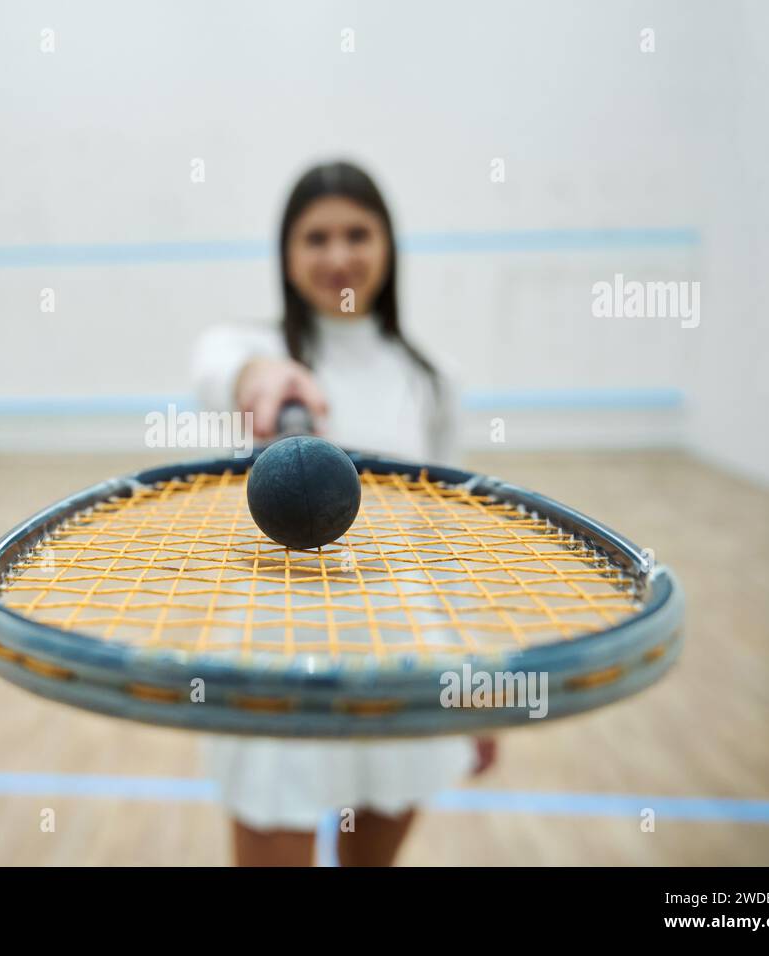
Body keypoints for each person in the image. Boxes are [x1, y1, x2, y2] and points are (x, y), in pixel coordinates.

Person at [191, 160, 497, 867]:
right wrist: (262, 379)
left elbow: (445, 534)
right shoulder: (251, 349)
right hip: (274, 651)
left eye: (357, 233)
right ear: (286, 255)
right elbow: (219, 366)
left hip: (400, 646)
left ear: (388, 243)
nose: (338, 255)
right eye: (315, 237)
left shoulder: (433, 379)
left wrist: (477, 677)